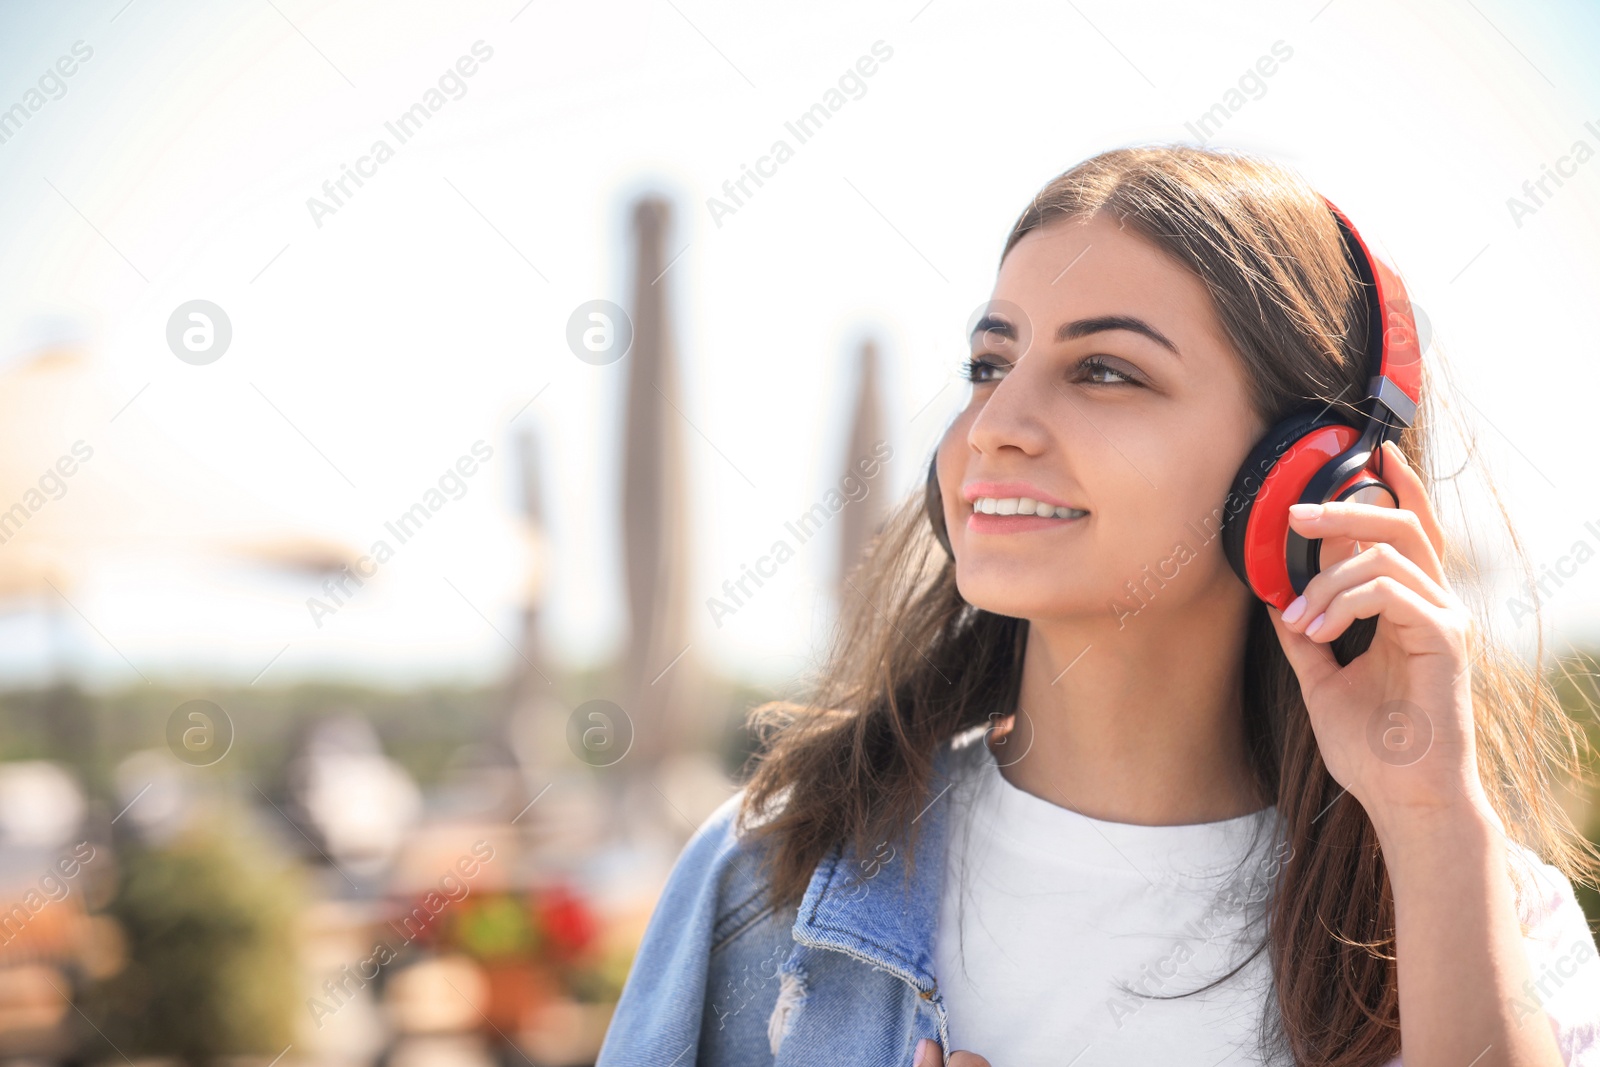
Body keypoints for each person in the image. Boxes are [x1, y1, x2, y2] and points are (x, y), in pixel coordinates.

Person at [594, 144, 1600, 1067]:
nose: (996, 425)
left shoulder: (1492, 915)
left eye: (1104, 371)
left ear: (1308, 473)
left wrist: (1427, 807)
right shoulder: (764, 875)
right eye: (989, 365)